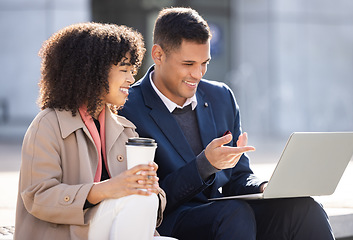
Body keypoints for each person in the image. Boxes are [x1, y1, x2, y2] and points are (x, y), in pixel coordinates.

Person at [119, 7, 335, 240]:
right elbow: (143, 196)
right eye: (188, 64)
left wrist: (264, 187)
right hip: (169, 221)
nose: (198, 74)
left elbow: (238, 177)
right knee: (234, 213)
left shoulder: (220, 97)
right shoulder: (128, 107)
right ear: (158, 55)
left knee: (304, 208)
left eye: (205, 63)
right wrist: (205, 164)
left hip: (227, 219)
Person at [15, 22, 166, 240]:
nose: (131, 79)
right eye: (124, 70)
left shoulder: (125, 129)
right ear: (91, 71)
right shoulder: (47, 125)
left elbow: (146, 202)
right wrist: (105, 190)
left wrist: (150, 188)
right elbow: (38, 197)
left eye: (132, 71)